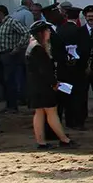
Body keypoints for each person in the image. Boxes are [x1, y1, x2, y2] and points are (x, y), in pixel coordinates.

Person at [26, 20, 74, 149]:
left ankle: (41, 142)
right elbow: (44, 70)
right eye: (46, 31)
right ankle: (64, 139)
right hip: (43, 87)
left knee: (40, 112)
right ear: (41, 33)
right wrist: (54, 83)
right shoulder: (38, 49)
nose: (49, 33)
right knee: (51, 112)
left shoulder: (33, 46)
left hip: (36, 85)